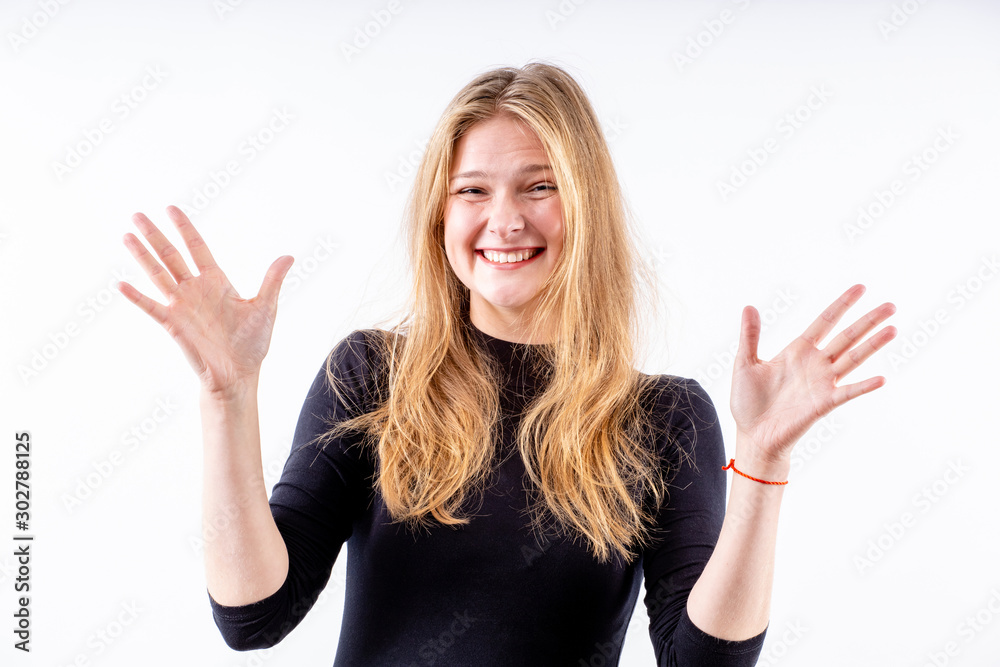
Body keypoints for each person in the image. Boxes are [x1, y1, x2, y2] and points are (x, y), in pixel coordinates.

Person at [116, 62, 896, 665]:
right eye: (472, 190)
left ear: (584, 207)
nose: (504, 219)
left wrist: (762, 461)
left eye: (539, 186)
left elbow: (702, 660)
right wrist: (228, 397)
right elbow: (253, 613)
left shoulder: (663, 417)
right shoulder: (370, 376)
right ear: (440, 215)